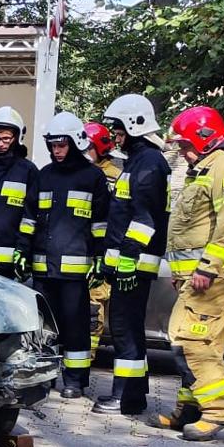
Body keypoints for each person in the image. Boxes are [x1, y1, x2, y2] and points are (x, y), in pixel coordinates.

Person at [153, 106, 224, 441]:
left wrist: (208, 267)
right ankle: (192, 410)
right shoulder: (206, 168)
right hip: (204, 276)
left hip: (217, 275)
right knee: (203, 344)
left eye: (185, 145)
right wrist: (184, 271)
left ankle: (222, 410)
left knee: (187, 339)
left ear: (205, 137)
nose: (182, 152)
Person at [93, 94, 170, 417]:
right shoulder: (140, 162)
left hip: (134, 266)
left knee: (125, 331)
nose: (117, 137)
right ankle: (134, 396)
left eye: (120, 130)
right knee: (130, 330)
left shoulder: (148, 164)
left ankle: (123, 397)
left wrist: (126, 259)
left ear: (135, 126)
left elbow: (144, 220)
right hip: (129, 264)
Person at [26, 113, 106, 400]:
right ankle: (44, 376)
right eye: (53, 145)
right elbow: (30, 217)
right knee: (44, 328)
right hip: (42, 267)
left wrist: (99, 256)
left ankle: (75, 380)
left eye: (62, 145)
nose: (57, 150)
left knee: (76, 326)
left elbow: (100, 223)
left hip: (74, 270)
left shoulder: (93, 177)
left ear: (75, 143)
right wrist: (24, 249)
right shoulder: (43, 175)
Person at [0, 107, 37, 278]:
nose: (1, 144)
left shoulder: (27, 171)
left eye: (6, 139)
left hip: (12, 259)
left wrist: (23, 249)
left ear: (16, 138)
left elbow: (30, 216)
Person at [83, 121, 119, 354]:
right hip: (81, 249)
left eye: (88, 148)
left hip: (101, 251)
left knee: (93, 307)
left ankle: (87, 358)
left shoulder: (112, 177)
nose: (84, 153)